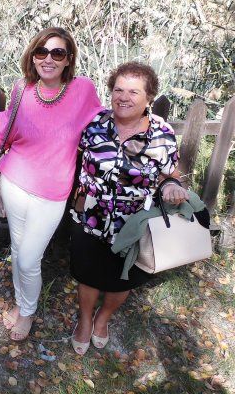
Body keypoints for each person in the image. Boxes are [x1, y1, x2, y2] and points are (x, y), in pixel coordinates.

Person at [0, 27, 102, 341]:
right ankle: (22, 304)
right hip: (15, 181)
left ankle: (28, 311)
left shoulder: (83, 89)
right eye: (41, 52)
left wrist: (144, 121)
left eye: (57, 53)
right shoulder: (22, 88)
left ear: (68, 59)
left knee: (28, 258)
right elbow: (7, 123)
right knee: (18, 249)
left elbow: (103, 121)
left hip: (52, 192)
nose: (48, 59)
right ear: (32, 56)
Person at [69, 62, 189, 354]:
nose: (123, 97)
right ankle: (85, 320)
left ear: (149, 97)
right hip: (90, 215)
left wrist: (171, 186)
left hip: (134, 222)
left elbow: (169, 175)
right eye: (118, 90)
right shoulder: (95, 123)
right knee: (87, 273)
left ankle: (103, 318)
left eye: (133, 92)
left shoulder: (161, 133)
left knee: (122, 279)